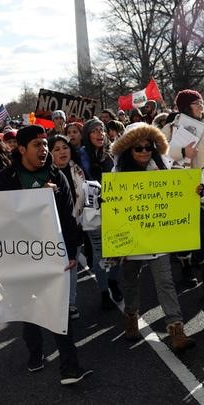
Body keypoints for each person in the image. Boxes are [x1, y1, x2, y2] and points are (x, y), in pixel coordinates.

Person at [0, 125, 93, 385]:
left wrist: (71, 253)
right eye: (37, 145)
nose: (44, 149)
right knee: (30, 311)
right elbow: (1, 220)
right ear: (22, 149)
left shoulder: (56, 175)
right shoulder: (6, 178)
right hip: (21, 257)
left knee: (59, 309)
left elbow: (68, 218)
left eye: (45, 144)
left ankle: (70, 367)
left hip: (53, 254)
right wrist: (36, 197)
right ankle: (35, 352)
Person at [111, 123, 198, 350]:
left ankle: (176, 329)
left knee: (165, 282)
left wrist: (193, 190)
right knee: (130, 283)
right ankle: (131, 317)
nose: (143, 152)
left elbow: (181, 193)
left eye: (148, 147)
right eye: (138, 148)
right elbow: (111, 207)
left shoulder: (164, 167)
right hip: (131, 239)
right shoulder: (117, 174)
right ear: (129, 150)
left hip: (158, 237)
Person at [162, 89, 204, 294]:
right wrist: (182, 152)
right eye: (196, 103)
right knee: (183, 229)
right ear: (185, 107)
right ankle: (186, 270)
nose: (201, 106)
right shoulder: (170, 128)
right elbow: (160, 153)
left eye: (201, 103)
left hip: (203, 185)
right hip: (178, 186)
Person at [78, 118, 121, 309]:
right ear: (87, 135)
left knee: (116, 249)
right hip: (92, 213)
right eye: (95, 131)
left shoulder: (111, 153)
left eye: (102, 130)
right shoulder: (80, 155)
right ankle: (104, 291)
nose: (100, 134)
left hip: (114, 210)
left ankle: (113, 281)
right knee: (99, 253)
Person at [49, 135, 86, 320]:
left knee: (72, 265)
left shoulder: (78, 171)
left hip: (75, 225)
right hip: (54, 229)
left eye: (65, 147)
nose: (62, 151)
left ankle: (70, 304)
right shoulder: (48, 175)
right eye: (56, 149)